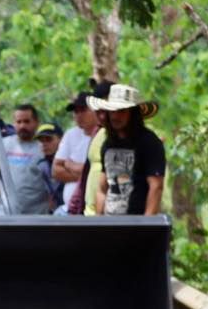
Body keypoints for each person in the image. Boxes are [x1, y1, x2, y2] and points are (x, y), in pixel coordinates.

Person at [90, 84, 166, 216]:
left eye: (121, 111)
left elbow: (156, 187)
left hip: (137, 225)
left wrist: (146, 226)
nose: (115, 116)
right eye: (112, 111)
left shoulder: (149, 142)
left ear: (133, 113)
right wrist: (98, 224)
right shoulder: (108, 144)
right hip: (110, 225)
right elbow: (102, 189)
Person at [0, 104, 54, 216]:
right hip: (5, 215)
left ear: (36, 122)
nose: (22, 126)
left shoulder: (44, 148)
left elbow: (52, 185)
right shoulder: (4, 144)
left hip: (36, 217)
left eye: (26, 121)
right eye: (18, 122)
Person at [54, 86, 101, 212]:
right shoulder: (71, 134)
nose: (78, 115)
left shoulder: (104, 135)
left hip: (94, 209)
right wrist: (86, 175)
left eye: (83, 110)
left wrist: (70, 165)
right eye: (76, 111)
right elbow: (56, 170)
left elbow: (100, 173)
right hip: (68, 208)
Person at [34, 119, 65, 212]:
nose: (44, 144)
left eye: (48, 139)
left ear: (61, 139)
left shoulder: (70, 162)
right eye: (41, 140)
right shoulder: (41, 165)